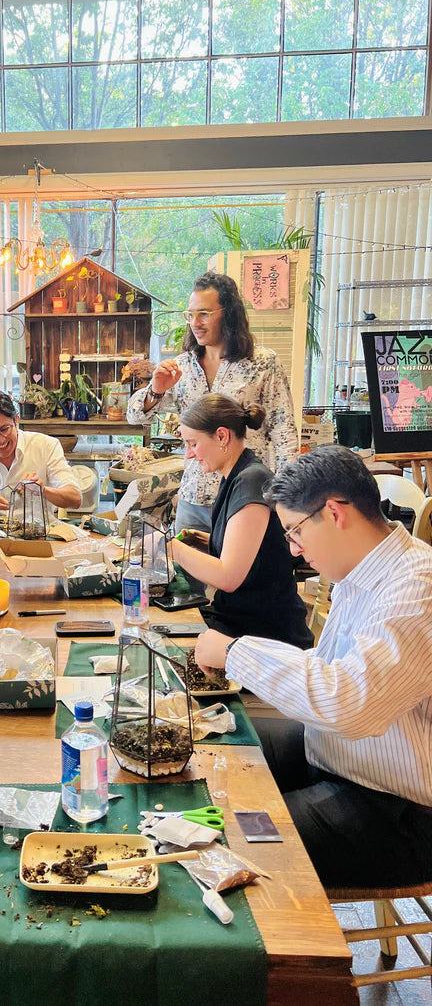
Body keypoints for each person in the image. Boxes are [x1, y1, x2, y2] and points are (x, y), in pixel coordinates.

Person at [194, 445, 432, 889]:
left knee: (224, 848)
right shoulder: (361, 569)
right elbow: (330, 671)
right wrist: (240, 658)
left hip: (397, 809)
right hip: (339, 755)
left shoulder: (416, 587)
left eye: (294, 531)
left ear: (335, 513)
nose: (294, 550)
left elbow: (349, 704)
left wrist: (235, 653)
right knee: (212, 740)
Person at [127, 271, 298, 533]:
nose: (195, 322)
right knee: (187, 571)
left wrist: (286, 501)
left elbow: (284, 432)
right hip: (192, 499)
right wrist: (156, 390)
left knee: (239, 573)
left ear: (228, 313)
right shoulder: (181, 366)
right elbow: (136, 417)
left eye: (204, 313)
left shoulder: (263, 363)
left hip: (245, 498)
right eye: (190, 314)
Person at [170, 394, 312, 647]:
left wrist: (172, 549)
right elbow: (256, 552)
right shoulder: (236, 475)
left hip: (263, 633)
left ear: (222, 436)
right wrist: (206, 541)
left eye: (193, 444)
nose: (189, 455)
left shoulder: (251, 481)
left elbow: (229, 577)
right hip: (243, 618)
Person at [0, 390, 81, 519]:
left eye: (4, 429)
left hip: (37, 535)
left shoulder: (47, 445)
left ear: (16, 420)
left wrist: (43, 490)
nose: (0, 440)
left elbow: (75, 498)